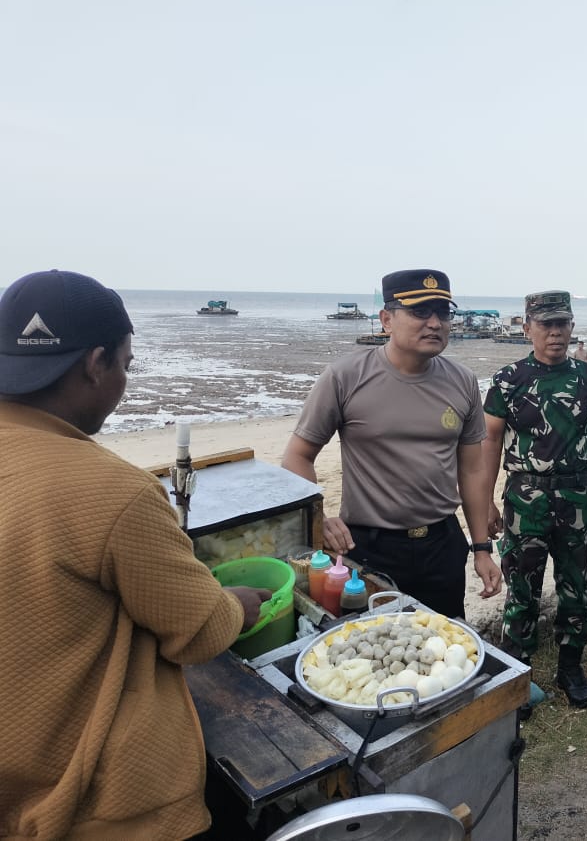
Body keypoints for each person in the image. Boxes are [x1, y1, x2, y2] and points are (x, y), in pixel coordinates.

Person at [0, 270, 270, 839]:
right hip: (102, 809)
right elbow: (197, 631)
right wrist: (235, 604)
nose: (124, 379)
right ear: (95, 364)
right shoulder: (111, 491)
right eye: (127, 363)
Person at [282, 269, 502, 619]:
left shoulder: (462, 381)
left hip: (442, 544)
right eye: (420, 312)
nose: (434, 323)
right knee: (371, 650)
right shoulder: (344, 378)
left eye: (443, 313)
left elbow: (472, 470)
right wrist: (318, 514)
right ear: (386, 319)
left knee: (443, 647)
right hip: (368, 549)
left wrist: (481, 549)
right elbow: (297, 456)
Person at [483, 291, 587, 709]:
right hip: (524, 497)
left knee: (575, 586)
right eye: (545, 325)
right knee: (521, 590)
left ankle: (570, 668)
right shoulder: (509, 379)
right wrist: (488, 503)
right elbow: (490, 441)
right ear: (527, 327)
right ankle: (516, 676)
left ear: (572, 327)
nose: (555, 333)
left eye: (562, 324)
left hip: (577, 497)